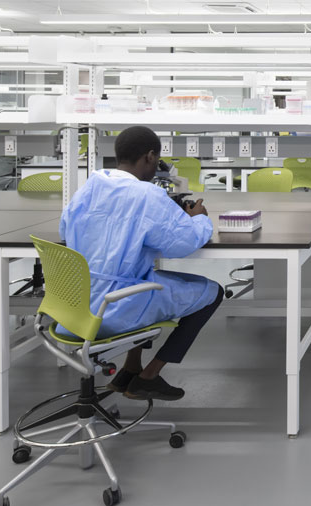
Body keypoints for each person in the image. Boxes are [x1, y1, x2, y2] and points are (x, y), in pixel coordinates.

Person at [59, 126, 224, 401]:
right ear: (150, 157)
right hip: (113, 308)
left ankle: (130, 368)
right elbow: (183, 244)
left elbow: (67, 232)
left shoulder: (88, 188)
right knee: (212, 292)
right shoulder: (147, 195)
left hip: (74, 305)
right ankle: (150, 376)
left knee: (146, 276)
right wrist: (198, 218)